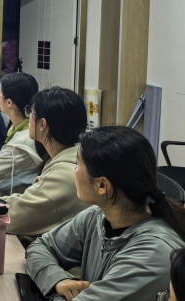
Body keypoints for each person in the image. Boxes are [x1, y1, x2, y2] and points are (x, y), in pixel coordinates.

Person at [27, 127, 185, 301]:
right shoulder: (97, 216)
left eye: (77, 164)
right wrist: (58, 280)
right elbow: (40, 247)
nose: (74, 170)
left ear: (102, 185)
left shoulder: (152, 255)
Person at [0, 87, 90, 242]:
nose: (28, 118)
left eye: (31, 113)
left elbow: (10, 218)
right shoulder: (73, 156)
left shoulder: (63, 175)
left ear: (42, 124)